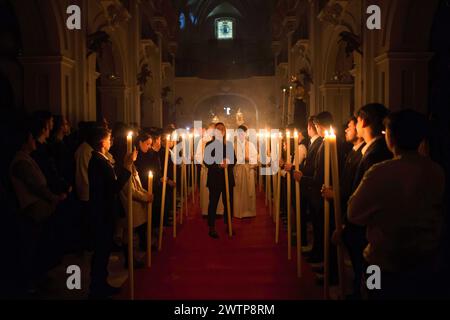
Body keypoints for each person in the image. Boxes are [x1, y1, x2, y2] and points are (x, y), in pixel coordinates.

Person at [348, 109, 445, 299]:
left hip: (381, 263)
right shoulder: (436, 171)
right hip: (424, 263)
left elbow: (354, 212)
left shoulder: (380, 172)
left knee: (372, 294)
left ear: (390, 137)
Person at [10, 118, 67, 293]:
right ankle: (30, 284)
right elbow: (37, 186)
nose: (34, 141)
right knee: (31, 249)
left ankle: (37, 279)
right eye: (31, 138)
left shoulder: (26, 159)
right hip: (32, 212)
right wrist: (54, 198)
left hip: (40, 211)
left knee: (37, 247)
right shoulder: (21, 161)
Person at [342, 103, 392, 298]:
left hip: (370, 233)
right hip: (371, 231)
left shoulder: (375, 155)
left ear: (362, 121)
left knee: (372, 281)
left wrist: (347, 223)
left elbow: (365, 199)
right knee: (366, 276)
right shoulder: (373, 152)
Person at [321, 115, 365, 298]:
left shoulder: (368, 156)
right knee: (358, 262)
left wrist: (337, 194)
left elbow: (359, 190)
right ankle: (358, 292)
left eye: (350, 126)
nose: (346, 129)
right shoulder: (355, 152)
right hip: (350, 212)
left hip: (363, 222)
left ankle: (367, 293)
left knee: (368, 267)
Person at [87, 126, 133, 299]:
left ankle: (101, 283)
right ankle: (97, 287)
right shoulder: (98, 161)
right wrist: (127, 168)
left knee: (104, 251)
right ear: (101, 142)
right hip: (102, 212)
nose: (110, 141)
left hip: (104, 211)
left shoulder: (101, 159)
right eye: (108, 138)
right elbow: (112, 187)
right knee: (101, 251)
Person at [204, 122, 236, 239]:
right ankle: (211, 227)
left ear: (224, 132)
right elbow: (206, 161)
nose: (220, 131)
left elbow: (234, 160)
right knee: (213, 203)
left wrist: (228, 163)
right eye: (218, 129)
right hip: (215, 179)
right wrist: (218, 165)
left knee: (228, 202)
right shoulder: (209, 145)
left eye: (222, 129)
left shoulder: (228, 145)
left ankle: (229, 225)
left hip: (227, 178)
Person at [196, 125, 224, 217]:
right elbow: (198, 155)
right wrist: (206, 164)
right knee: (207, 193)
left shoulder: (221, 141)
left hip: (219, 171)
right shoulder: (203, 141)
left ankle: (219, 211)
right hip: (207, 170)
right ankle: (206, 211)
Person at [233, 125, 257, 218]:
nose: (241, 135)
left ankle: (249, 211)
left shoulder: (250, 144)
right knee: (238, 192)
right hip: (238, 171)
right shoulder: (233, 145)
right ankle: (238, 212)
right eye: (239, 133)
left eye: (243, 133)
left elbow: (256, 158)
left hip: (248, 171)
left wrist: (248, 159)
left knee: (248, 192)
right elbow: (231, 159)